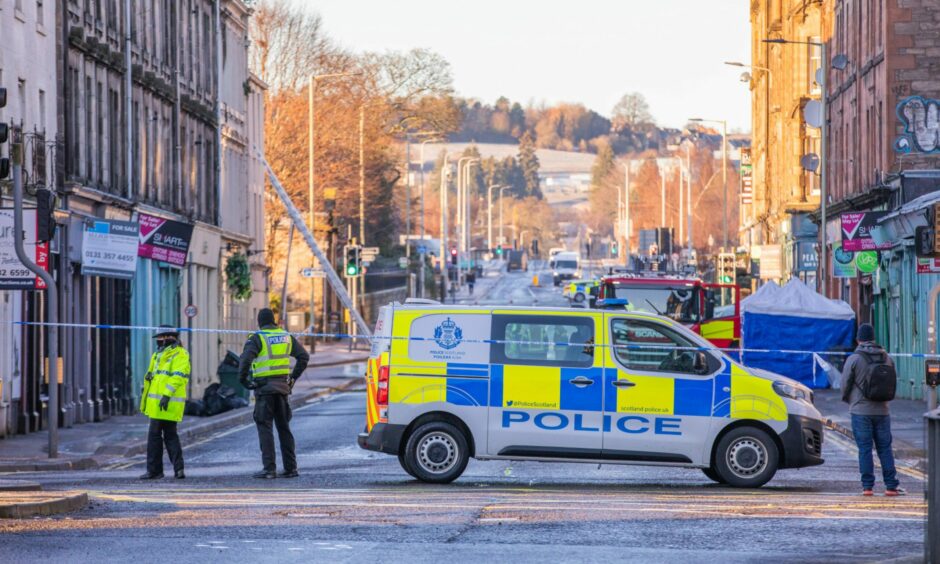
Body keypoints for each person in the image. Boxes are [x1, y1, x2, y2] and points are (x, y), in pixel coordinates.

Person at [239, 308, 310, 479]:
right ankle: (291, 468)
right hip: (283, 389)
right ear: (274, 320)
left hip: (264, 390)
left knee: (265, 428)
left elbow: (245, 359)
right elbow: (304, 357)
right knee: (284, 428)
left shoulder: (257, 338)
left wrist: (243, 380)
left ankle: (269, 469)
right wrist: (292, 379)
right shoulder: (286, 336)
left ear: (260, 322)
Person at [841, 323, 905, 497]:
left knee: (865, 449)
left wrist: (849, 400)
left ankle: (868, 487)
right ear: (873, 338)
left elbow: (845, 383)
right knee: (885, 448)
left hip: (860, 411)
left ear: (858, 339)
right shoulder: (887, 357)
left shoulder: (854, 358)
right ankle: (891, 486)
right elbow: (893, 382)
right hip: (883, 411)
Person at [139, 325, 190, 480]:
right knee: (170, 435)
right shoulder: (158, 355)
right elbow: (155, 374)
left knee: (155, 436)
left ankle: (154, 471)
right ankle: (178, 469)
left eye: (160, 338)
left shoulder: (179, 354)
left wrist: (167, 395)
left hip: (167, 402)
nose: (158, 341)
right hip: (158, 402)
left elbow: (178, 377)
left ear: (169, 337)